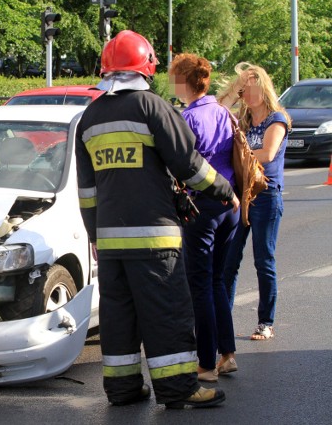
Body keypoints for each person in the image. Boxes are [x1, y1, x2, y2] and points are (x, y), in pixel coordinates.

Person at [75, 31, 239, 409]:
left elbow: (87, 191)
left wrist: (94, 236)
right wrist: (224, 190)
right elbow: (189, 165)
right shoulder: (152, 108)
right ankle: (178, 389)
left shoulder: (91, 116)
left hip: (111, 242)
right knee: (167, 313)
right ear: (146, 66)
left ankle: (123, 389)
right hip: (154, 239)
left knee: (119, 317)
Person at [169, 53, 239, 382]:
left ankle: (206, 364)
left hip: (201, 206)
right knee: (217, 283)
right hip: (230, 205)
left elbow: (181, 166)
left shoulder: (187, 119)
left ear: (183, 82)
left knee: (200, 286)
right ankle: (227, 353)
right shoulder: (224, 112)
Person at [218, 62, 291, 340]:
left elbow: (268, 154)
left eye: (250, 89)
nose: (246, 95)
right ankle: (222, 318)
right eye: (243, 90)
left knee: (264, 260)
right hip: (241, 194)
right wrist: (235, 87)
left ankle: (265, 322)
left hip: (266, 195)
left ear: (263, 88)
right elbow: (218, 108)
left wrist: (238, 155)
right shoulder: (243, 119)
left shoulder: (277, 119)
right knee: (229, 260)